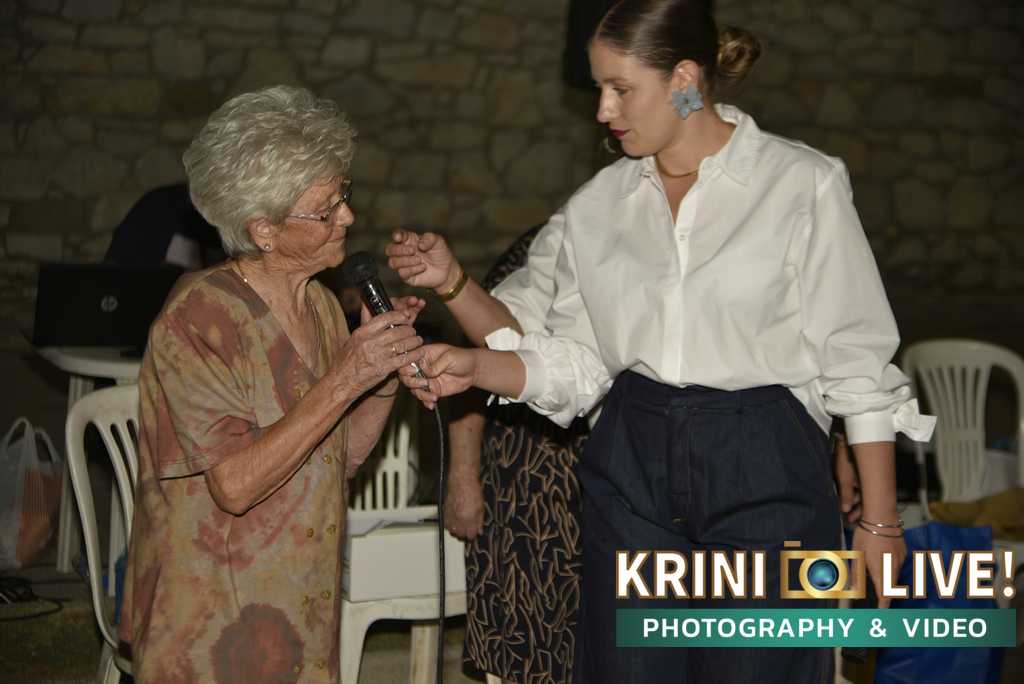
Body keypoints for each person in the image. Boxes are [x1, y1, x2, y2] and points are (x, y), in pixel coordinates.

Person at [387, 1, 935, 682]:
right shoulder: (598, 206)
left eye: (621, 89)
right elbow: (576, 364)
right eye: (599, 89)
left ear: (683, 80)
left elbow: (854, 358)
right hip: (631, 468)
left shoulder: (801, 183)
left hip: (765, 467)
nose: (603, 111)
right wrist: (474, 366)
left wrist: (879, 522)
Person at [118, 85, 426, 683]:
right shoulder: (198, 320)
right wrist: (347, 377)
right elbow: (234, 486)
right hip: (213, 621)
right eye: (325, 210)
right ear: (263, 228)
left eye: (344, 196)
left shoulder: (321, 306)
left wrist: (383, 376)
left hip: (299, 610)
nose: (348, 217)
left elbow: (338, 461)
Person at [439, 225, 590, 684]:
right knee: (526, 632)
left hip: (593, 480)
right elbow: (472, 373)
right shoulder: (542, 247)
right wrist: (463, 478)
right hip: (523, 483)